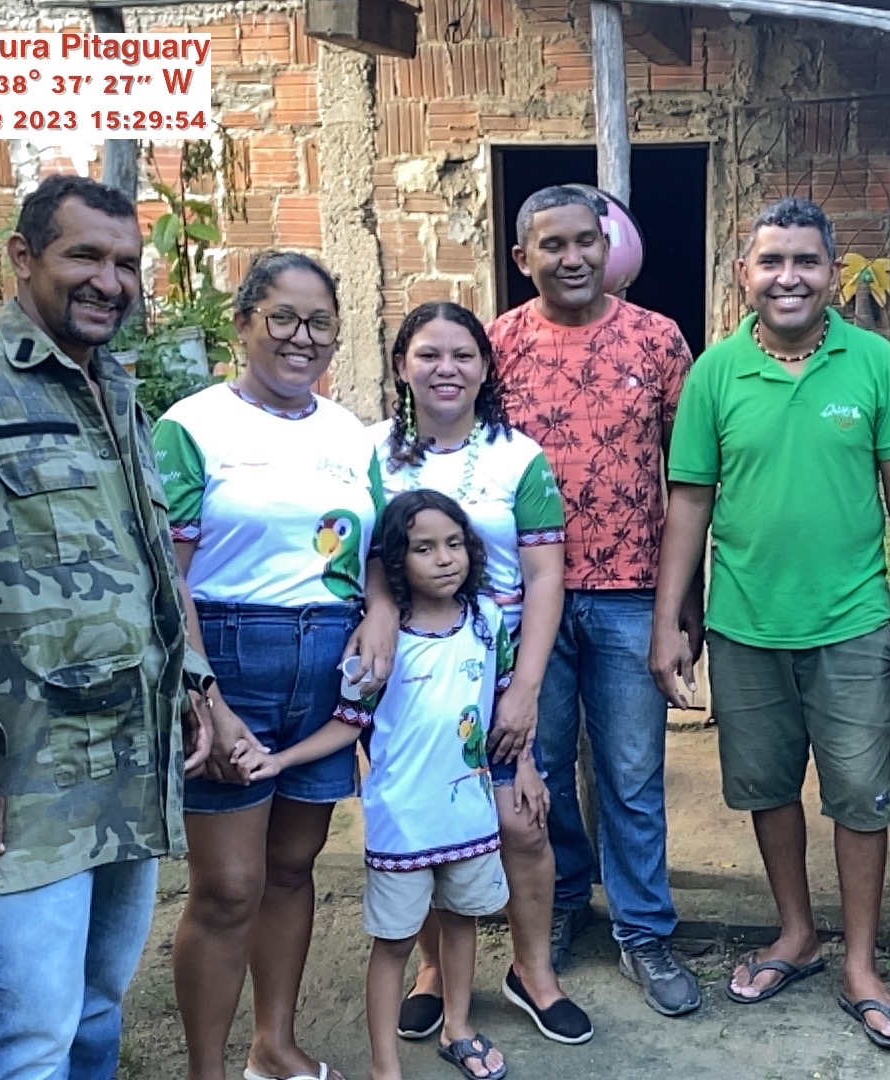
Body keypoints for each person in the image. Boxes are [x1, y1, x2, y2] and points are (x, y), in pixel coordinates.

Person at [0, 173, 216, 1079]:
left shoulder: (116, 390)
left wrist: (191, 687)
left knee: (98, 1011)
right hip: (27, 778)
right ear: (23, 257)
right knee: (31, 1040)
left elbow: (148, 564)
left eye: (126, 264)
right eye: (84, 256)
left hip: (130, 761)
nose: (110, 281)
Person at [650, 197, 890, 1051]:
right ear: (743, 273)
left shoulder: (874, 363)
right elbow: (690, 502)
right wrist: (670, 621)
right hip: (745, 624)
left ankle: (860, 963)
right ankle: (796, 933)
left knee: (860, 795)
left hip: (851, 622)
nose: (789, 277)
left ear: (832, 274)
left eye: (807, 261)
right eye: (772, 261)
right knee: (766, 787)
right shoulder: (715, 373)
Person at [156, 251, 389, 1080]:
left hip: (326, 663)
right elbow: (169, 575)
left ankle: (274, 1046)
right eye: (282, 318)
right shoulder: (193, 426)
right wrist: (206, 697)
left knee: (292, 869)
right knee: (228, 886)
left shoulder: (348, 434)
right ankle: (207, 1071)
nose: (302, 337)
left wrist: (380, 615)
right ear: (243, 322)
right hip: (229, 658)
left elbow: (376, 552)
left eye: (319, 322)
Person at [489, 185, 702, 1017]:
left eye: (586, 241)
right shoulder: (499, 344)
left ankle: (643, 929)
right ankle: (564, 897)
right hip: (524, 602)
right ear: (524, 258)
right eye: (554, 245)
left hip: (630, 594)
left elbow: (690, 483)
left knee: (632, 771)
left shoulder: (658, 338)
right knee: (536, 765)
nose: (573, 258)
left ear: (607, 248)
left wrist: (683, 604)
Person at [368, 302, 593, 1046]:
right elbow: (368, 560)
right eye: (428, 354)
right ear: (402, 365)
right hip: (409, 679)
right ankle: (434, 970)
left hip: (498, 668)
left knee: (522, 822)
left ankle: (533, 972)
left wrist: (525, 688)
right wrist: (380, 617)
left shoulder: (517, 457)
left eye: (463, 355)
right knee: (426, 820)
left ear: (486, 367)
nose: (447, 369)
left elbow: (545, 574)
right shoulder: (372, 456)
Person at [234, 490, 517, 1080]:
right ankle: (384, 1067)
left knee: (461, 921)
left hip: (470, 818)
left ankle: (458, 1028)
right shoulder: (380, 644)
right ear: (393, 561)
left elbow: (503, 712)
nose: (445, 558)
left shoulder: (488, 623)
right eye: (423, 548)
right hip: (402, 826)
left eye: (454, 543)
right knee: (393, 944)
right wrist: (280, 761)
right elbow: (347, 724)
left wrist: (528, 770)